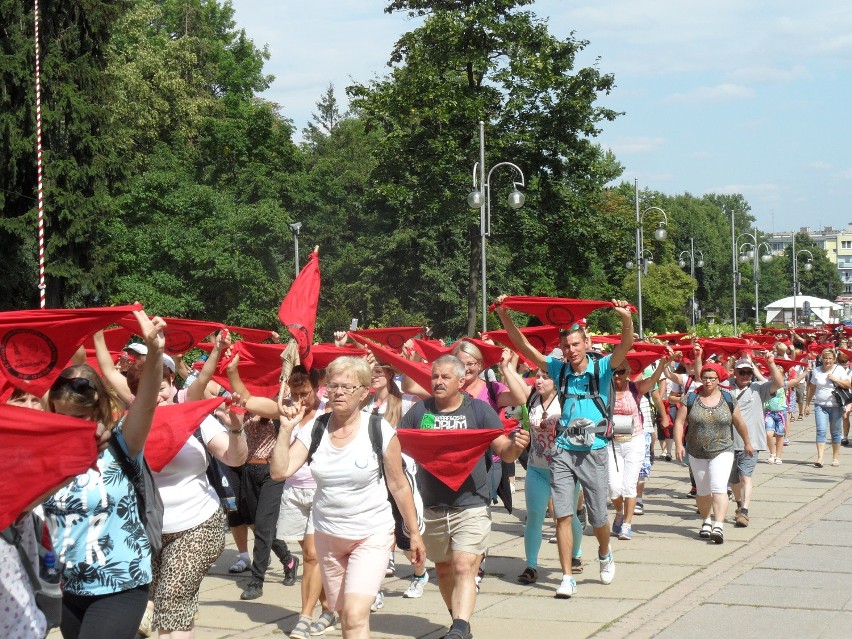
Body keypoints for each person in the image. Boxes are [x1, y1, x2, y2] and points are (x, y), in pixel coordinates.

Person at [269, 356, 424, 639]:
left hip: (371, 535)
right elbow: (281, 471)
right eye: (333, 386)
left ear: (364, 392)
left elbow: (399, 486)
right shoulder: (315, 427)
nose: (338, 392)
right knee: (348, 618)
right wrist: (286, 429)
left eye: (347, 387)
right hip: (328, 537)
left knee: (353, 614)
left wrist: (413, 533)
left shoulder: (379, 430)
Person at [495, 297, 633, 598]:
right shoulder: (559, 369)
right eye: (566, 346)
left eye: (575, 344)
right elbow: (524, 348)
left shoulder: (603, 368)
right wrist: (505, 316)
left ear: (585, 343)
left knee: (598, 517)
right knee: (562, 514)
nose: (571, 350)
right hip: (563, 449)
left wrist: (624, 318)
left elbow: (626, 345)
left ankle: (605, 552)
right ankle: (567, 577)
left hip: (594, 449)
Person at [42, 309, 166, 639]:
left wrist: (155, 352)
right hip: (67, 588)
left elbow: (148, 403)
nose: (72, 424)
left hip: (121, 584)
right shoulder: (44, 456)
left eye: (81, 417)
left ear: (97, 410)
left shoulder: (123, 443)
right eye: (63, 416)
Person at [398, 355, 528, 639]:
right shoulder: (419, 412)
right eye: (435, 377)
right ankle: (459, 623)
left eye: (445, 377)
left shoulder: (479, 411)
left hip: (472, 503)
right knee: (443, 570)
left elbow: (503, 449)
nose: (438, 382)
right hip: (432, 505)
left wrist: (516, 448)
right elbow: (398, 447)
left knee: (462, 566)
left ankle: (458, 628)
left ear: (461, 381)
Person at [137, 357, 248, 638]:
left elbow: (235, 458)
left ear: (172, 384)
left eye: (161, 387)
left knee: (173, 601)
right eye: (147, 389)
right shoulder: (128, 425)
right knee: (155, 602)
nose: (157, 395)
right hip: (145, 532)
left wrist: (236, 428)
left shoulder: (197, 420)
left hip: (197, 525)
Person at [273, 366, 336, 639]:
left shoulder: (327, 411)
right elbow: (248, 399)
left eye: (306, 393)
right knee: (314, 557)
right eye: (295, 394)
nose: (301, 399)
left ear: (316, 387)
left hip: (319, 490)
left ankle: (304, 617)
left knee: (312, 554)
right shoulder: (286, 410)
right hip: (292, 489)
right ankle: (329, 609)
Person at [673, 363, 753, 544]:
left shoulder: (728, 398)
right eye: (705, 377)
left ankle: (718, 525)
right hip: (696, 450)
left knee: (718, 487)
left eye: (712, 378)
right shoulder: (691, 397)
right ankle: (706, 521)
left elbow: (739, 423)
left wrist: (747, 442)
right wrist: (679, 444)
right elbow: (679, 422)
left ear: (719, 379)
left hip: (723, 449)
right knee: (702, 491)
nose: (708, 381)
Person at [609, 357, 670, 540]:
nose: (617, 376)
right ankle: (619, 511)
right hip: (612, 443)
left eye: (621, 372)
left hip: (634, 441)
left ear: (628, 373)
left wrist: (661, 365)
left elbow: (652, 382)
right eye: (614, 372)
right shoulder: (605, 391)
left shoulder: (634, 388)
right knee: (612, 487)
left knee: (629, 486)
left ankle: (627, 524)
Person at [721, 356, 783, 528]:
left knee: (745, 477)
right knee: (733, 480)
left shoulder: (758, 388)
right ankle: (740, 505)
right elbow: (702, 378)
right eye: (742, 372)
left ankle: (745, 512)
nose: (746, 375)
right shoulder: (726, 386)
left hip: (752, 441)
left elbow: (779, 383)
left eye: (749, 372)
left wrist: (770, 363)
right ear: (735, 372)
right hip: (728, 441)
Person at [805, 348, 851, 467]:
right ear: (822, 358)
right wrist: (807, 404)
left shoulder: (839, 369)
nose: (827, 361)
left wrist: (835, 379)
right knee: (821, 430)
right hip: (820, 405)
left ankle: (835, 458)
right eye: (825, 358)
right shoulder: (816, 371)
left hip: (836, 406)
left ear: (834, 359)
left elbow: (848, 384)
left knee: (835, 432)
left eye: (830, 358)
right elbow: (812, 388)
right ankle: (820, 458)